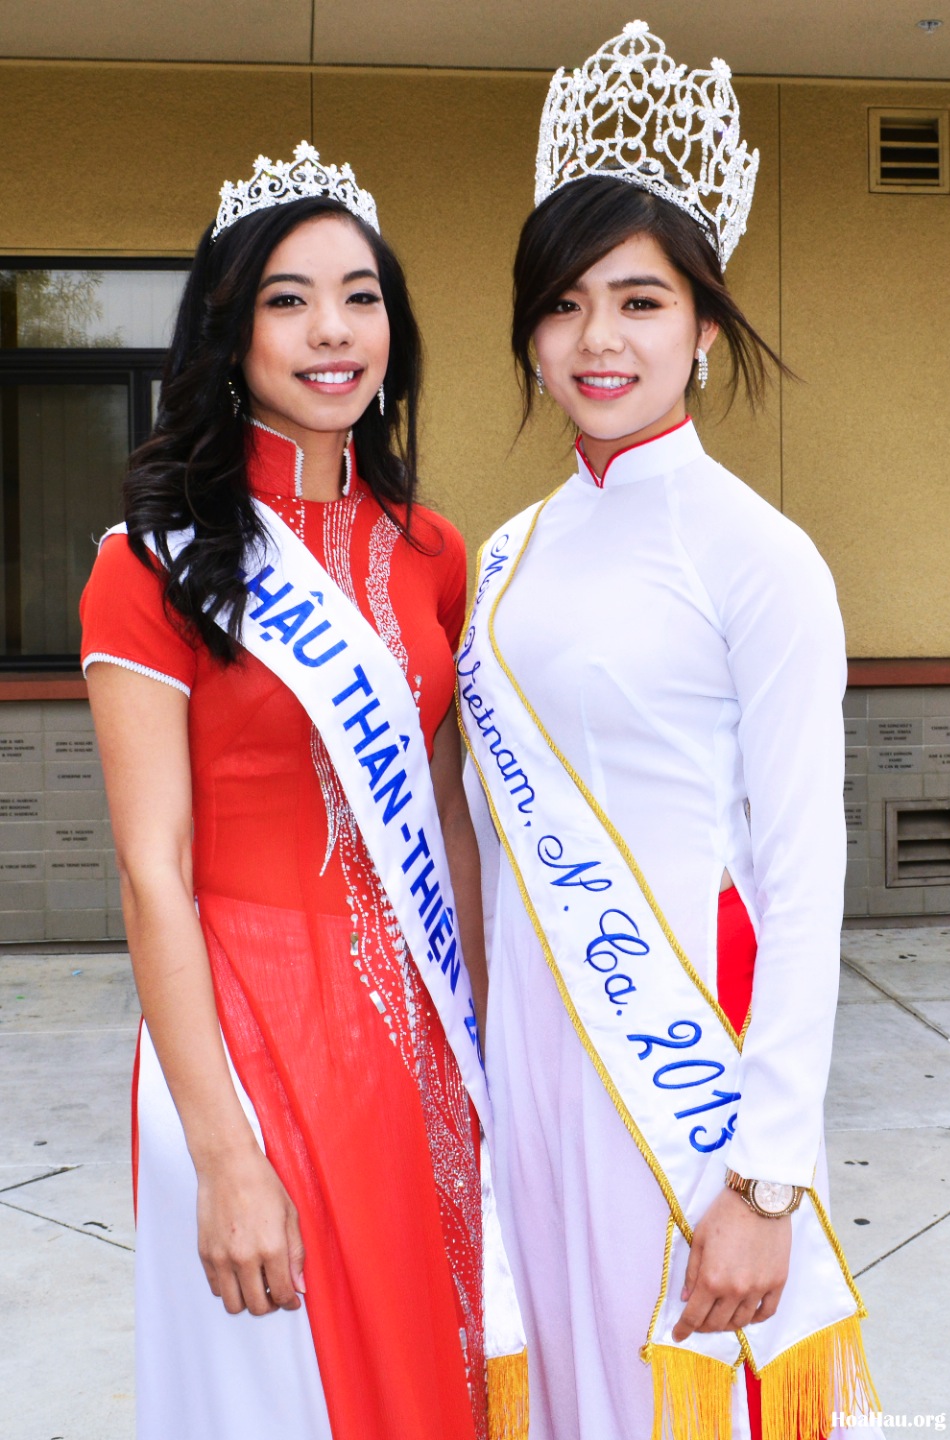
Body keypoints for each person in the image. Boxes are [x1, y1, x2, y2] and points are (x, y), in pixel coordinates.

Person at [460, 23, 877, 1440]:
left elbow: (811, 879)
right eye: (566, 303)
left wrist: (767, 1182)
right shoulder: (508, 556)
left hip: (678, 1073)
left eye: (639, 300)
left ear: (704, 322)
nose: (598, 339)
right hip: (528, 1066)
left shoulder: (759, 558)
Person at [80, 142, 491, 1440]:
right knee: (279, 1393)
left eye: (361, 294)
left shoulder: (433, 554)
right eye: (289, 297)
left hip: (416, 1038)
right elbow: (152, 869)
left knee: (444, 1370)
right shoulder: (150, 562)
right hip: (245, 1036)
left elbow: (443, 808)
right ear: (229, 327)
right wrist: (220, 1154)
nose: (333, 330)